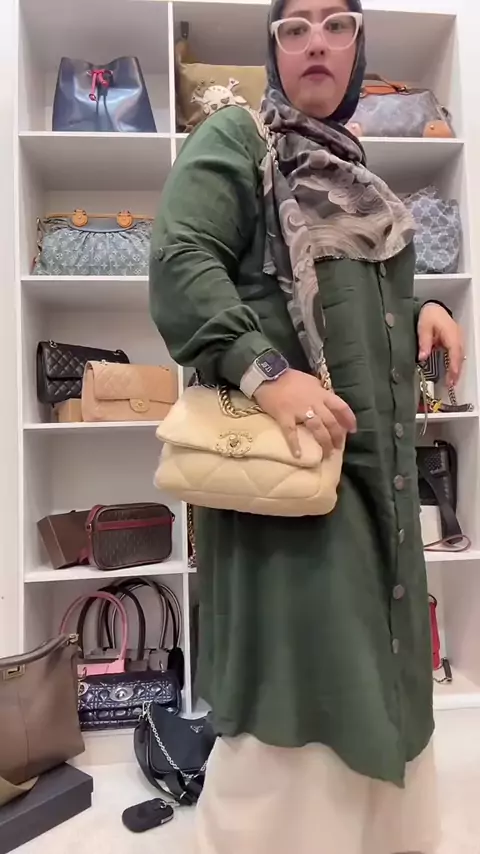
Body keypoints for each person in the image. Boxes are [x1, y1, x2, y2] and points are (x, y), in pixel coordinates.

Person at [149, 0, 464, 850]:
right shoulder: (239, 141)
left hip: (376, 483)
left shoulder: (356, 173)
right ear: (273, 50)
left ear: (360, 46)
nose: (315, 42)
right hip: (291, 483)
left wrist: (423, 307)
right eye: (294, 28)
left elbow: (350, 297)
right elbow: (180, 260)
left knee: (380, 676)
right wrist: (268, 371)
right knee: (293, 703)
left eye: (336, 24)